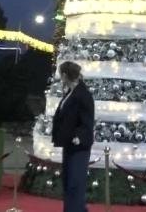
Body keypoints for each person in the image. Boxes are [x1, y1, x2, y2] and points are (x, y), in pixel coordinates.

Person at [51, 61, 95, 212]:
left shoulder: (83, 94)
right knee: (68, 184)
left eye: (60, 74)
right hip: (69, 145)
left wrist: (79, 136)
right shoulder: (69, 93)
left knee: (75, 185)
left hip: (79, 147)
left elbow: (87, 120)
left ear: (65, 75)